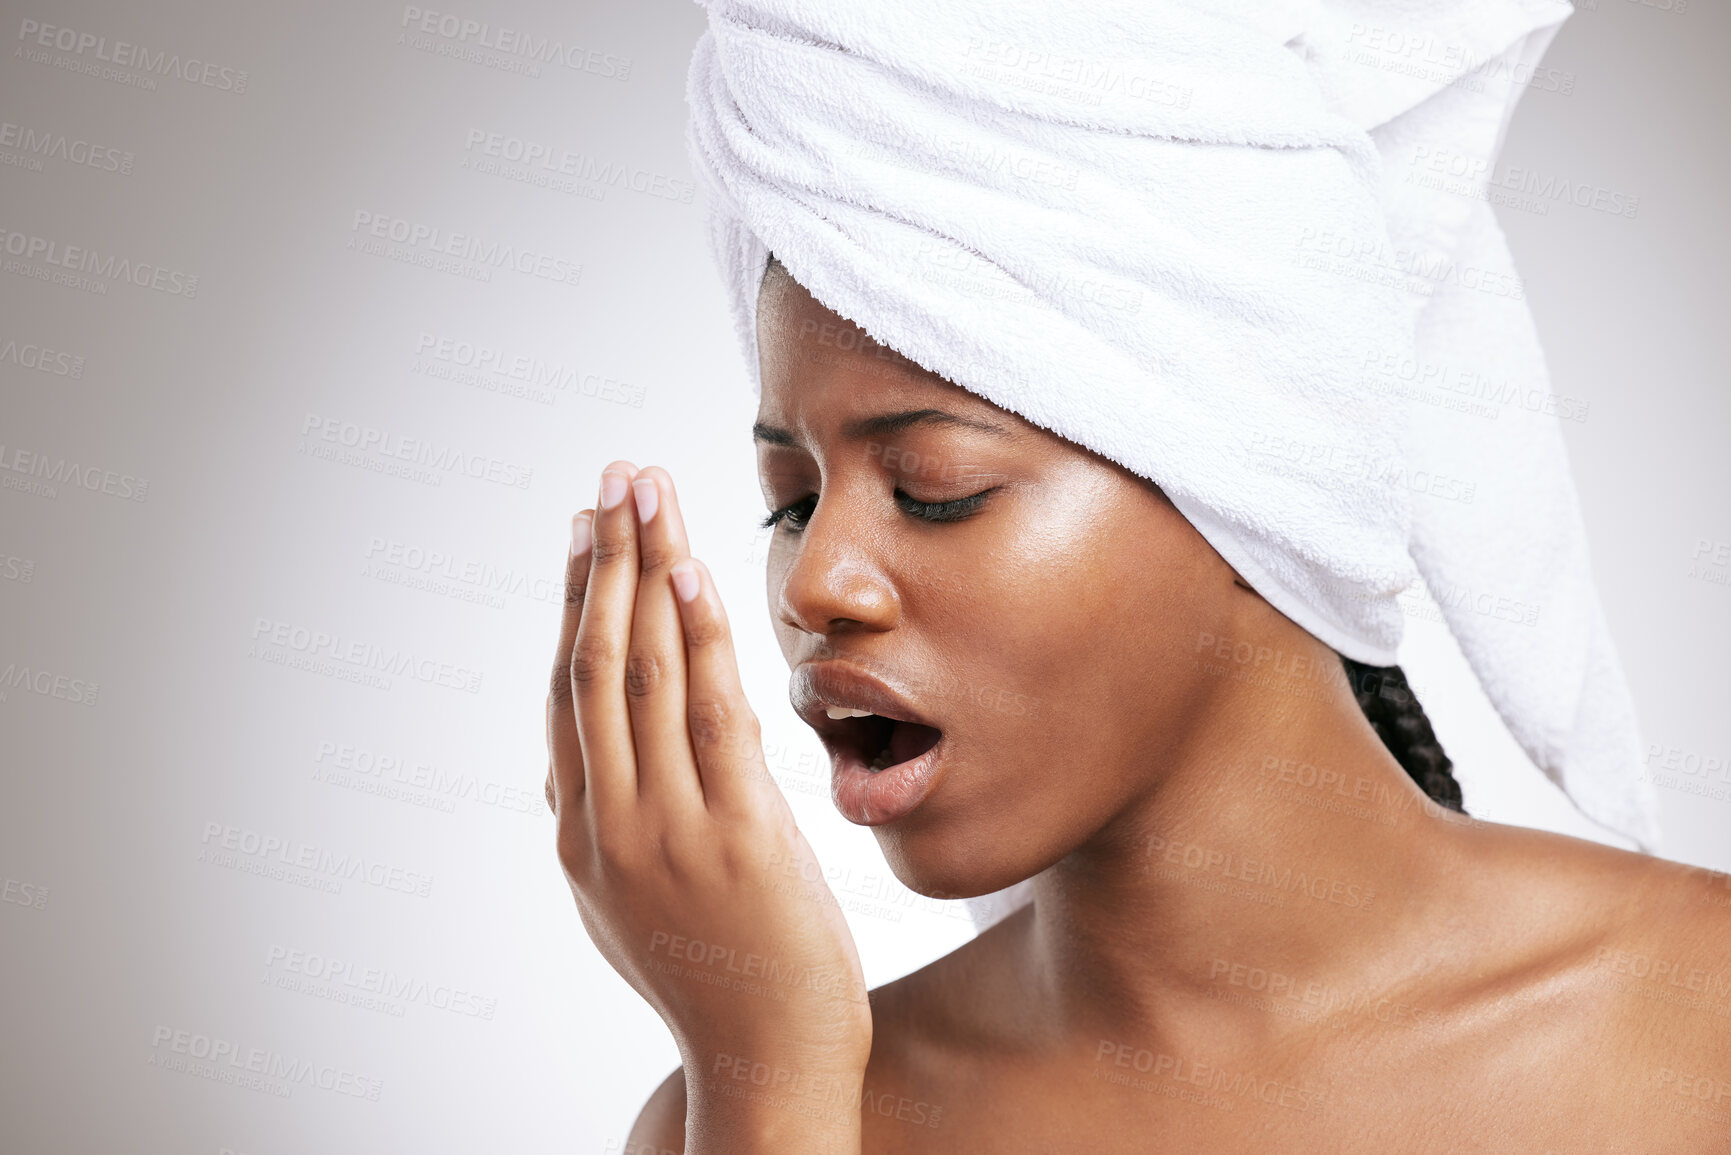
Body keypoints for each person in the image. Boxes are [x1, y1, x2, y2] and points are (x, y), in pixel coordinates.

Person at [546, 1, 1729, 1150]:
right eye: (790, 504)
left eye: (935, 485)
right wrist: (770, 1076)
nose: (817, 584)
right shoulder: (756, 1108)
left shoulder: (1704, 1027)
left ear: (1257, 492)